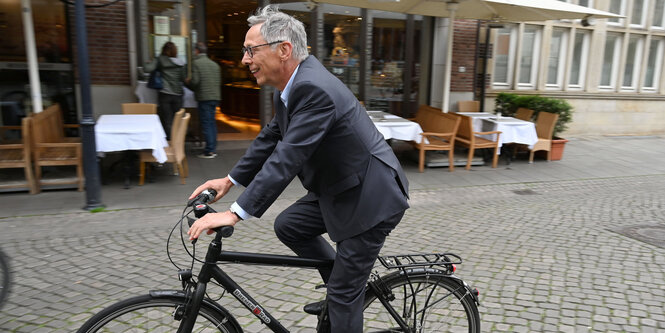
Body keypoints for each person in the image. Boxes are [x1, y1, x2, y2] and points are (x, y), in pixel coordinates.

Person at [187, 6, 409, 332]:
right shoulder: (292, 86)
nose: (245, 59)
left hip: (370, 197)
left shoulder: (313, 87)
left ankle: (342, 293)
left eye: (251, 50)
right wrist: (229, 180)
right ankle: (338, 284)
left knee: (346, 297)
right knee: (289, 225)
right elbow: (271, 138)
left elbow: (288, 157)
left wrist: (234, 214)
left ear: (284, 50)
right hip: (340, 187)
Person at [144, 41, 186, 140]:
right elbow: (183, 78)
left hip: (165, 93)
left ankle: (170, 142)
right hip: (178, 94)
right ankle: (178, 141)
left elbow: (147, 69)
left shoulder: (160, 60)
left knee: (167, 120)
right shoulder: (181, 63)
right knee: (178, 119)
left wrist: (147, 63)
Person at [186, 42, 221, 159]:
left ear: (197, 51)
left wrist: (187, 83)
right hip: (215, 97)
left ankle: (210, 151)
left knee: (206, 124)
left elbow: (195, 82)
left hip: (204, 98)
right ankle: (213, 147)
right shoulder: (215, 65)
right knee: (212, 122)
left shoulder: (196, 63)